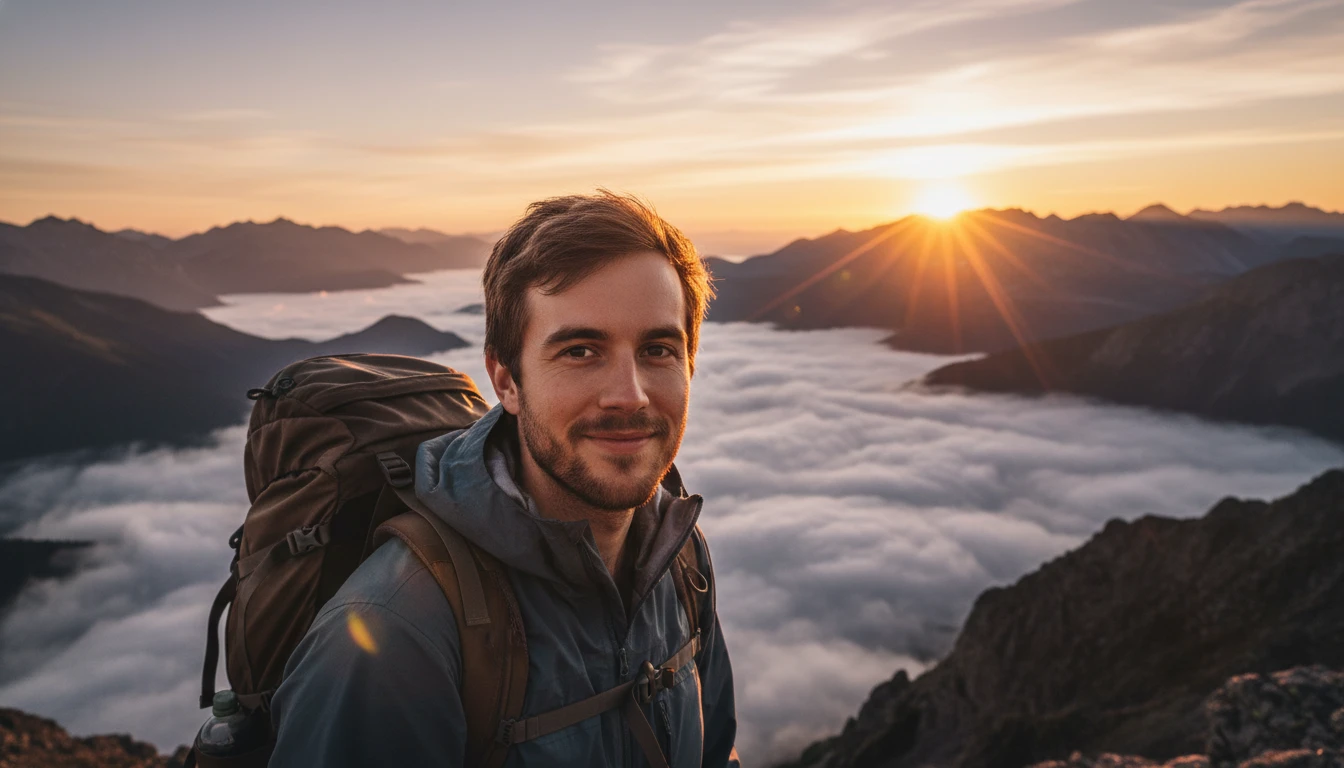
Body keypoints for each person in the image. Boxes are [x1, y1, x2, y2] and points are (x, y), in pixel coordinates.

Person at [269, 191, 739, 767]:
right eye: (581, 350)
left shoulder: (681, 558)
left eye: (659, 349)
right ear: (507, 380)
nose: (629, 395)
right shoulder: (396, 632)